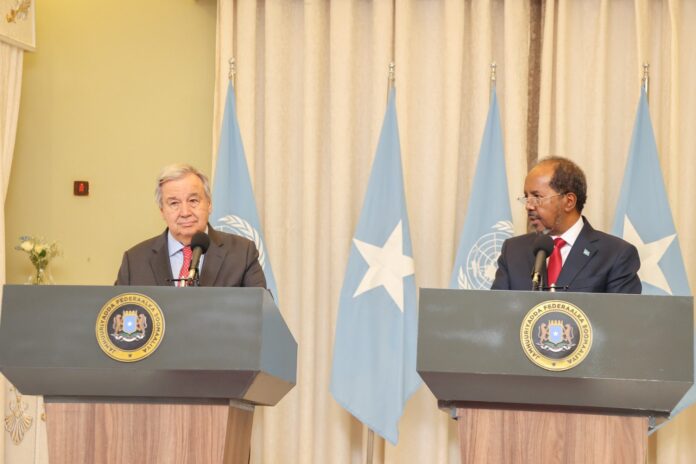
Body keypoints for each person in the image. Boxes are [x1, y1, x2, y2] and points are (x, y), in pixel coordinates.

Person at [491, 156, 641, 293]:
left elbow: (623, 319)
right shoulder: (513, 251)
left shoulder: (616, 255)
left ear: (569, 202)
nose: (528, 206)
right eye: (526, 197)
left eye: (537, 197)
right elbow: (496, 313)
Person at [116, 164, 267, 288]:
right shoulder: (134, 261)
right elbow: (116, 318)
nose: (185, 212)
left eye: (193, 201)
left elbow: (262, 314)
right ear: (162, 211)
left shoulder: (242, 253)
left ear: (209, 204)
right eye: (174, 203)